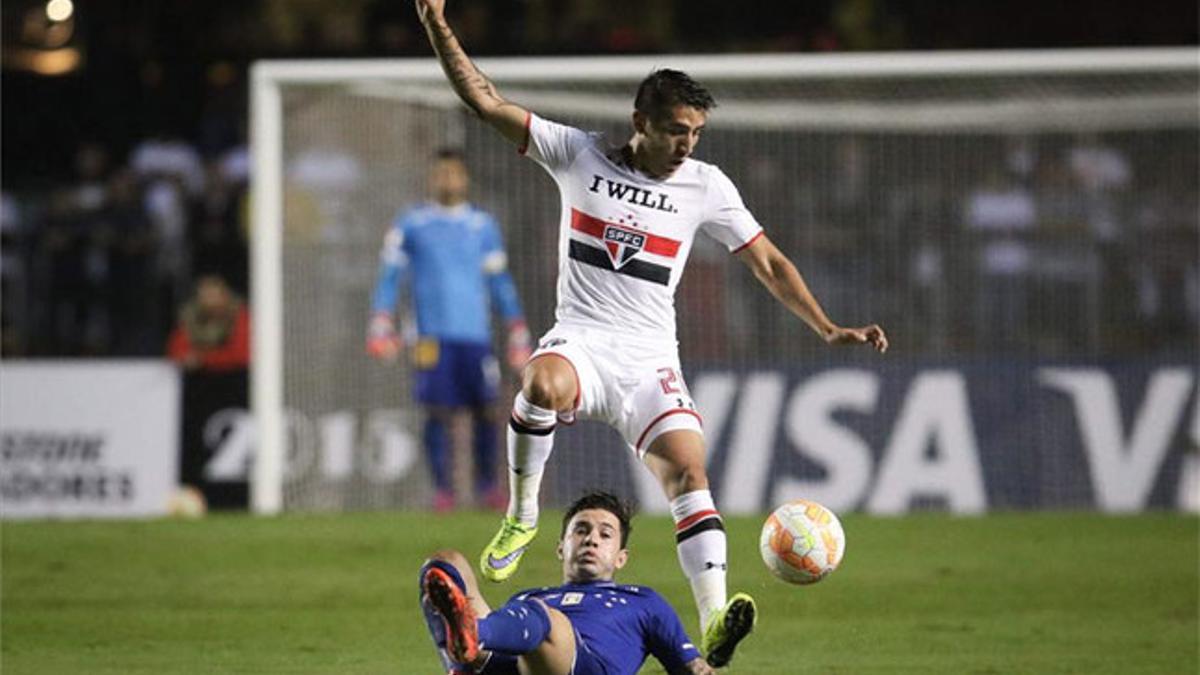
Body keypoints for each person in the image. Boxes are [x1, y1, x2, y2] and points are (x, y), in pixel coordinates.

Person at [416, 0, 889, 665]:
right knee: (540, 381)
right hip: (582, 339)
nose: (687, 143)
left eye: (695, 131)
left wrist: (827, 325)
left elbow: (769, 261)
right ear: (640, 122)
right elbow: (485, 101)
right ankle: (524, 513)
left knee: (690, 467)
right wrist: (437, 22)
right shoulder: (577, 154)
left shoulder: (705, 185)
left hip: (648, 360)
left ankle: (716, 612)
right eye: (674, 130)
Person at [367, 148, 532, 512]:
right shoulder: (411, 224)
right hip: (430, 338)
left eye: (454, 173)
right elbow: (390, 278)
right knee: (437, 411)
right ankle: (443, 491)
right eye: (441, 173)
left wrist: (516, 326)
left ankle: (488, 487)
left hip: (475, 337)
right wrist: (381, 321)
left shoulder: (481, 226)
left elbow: (499, 281)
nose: (447, 180)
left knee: (487, 410)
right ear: (431, 178)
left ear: (465, 178)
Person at [420, 491, 715, 675]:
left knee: (541, 617)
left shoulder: (643, 601)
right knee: (446, 563)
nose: (591, 539)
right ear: (561, 547)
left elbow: (691, 666)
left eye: (605, 534)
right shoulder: (529, 597)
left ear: (621, 558)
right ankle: (463, 658)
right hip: (519, 664)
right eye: (581, 530)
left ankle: (471, 636)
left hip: (589, 667)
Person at [166, 274, 250, 372]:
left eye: (214, 295)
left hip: (235, 375)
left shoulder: (240, 315)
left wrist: (204, 359)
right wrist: (187, 358)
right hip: (201, 377)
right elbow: (176, 350)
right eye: (205, 296)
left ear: (225, 295)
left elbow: (241, 355)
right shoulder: (190, 317)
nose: (211, 301)